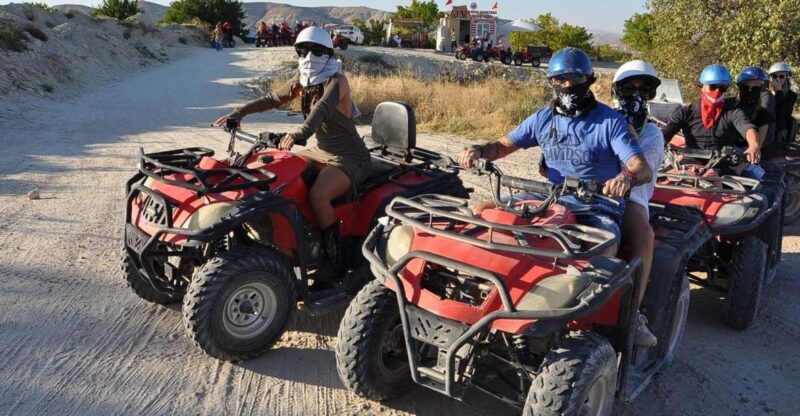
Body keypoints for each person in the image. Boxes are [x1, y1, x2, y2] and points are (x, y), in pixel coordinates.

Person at [458, 48, 656, 346]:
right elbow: (501, 146)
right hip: (550, 197)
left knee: (603, 253)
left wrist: (625, 177)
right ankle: (474, 287)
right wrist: (478, 150)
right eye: (559, 79)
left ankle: (592, 325)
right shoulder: (542, 118)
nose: (567, 85)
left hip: (597, 205)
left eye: (575, 78)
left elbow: (641, 168)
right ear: (551, 81)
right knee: (482, 213)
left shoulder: (611, 122)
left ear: (589, 80)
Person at [212, 27, 371, 273]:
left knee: (318, 195)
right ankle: (296, 239)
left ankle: (334, 257)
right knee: (281, 173)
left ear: (328, 53)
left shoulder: (337, 80)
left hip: (349, 156)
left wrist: (299, 134)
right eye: (303, 51)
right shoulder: (302, 80)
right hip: (319, 150)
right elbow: (272, 99)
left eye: (316, 51)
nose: (309, 57)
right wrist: (239, 113)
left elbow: (322, 109)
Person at [612, 60, 665, 346]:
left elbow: (642, 173)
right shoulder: (603, 118)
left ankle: (634, 314)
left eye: (642, 90)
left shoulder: (652, 133)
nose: (635, 95)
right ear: (617, 90)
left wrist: (629, 139)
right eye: (628, 89)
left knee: (644, 235)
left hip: (630, 196)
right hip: (588, 190)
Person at [661, 64, 761, 170]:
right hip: (690, 162)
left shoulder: (732, 111)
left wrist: (754, 145)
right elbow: (666, 133)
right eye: (712, 87)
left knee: (748, 177)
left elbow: (747, 127)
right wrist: (658, 143)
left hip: (722, 164)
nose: (717, 92)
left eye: (722, 88)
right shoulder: (686, 112)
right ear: (701, 86)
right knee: (663, 176)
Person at [733, 66, 773, 175]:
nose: (750, 91)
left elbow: (756, 147)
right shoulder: (730, 107)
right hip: (724, 155)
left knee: (752, 175)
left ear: (761, 90)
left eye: (755, 89)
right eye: (745, 87)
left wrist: (739, 168)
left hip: (746, 158)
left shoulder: (763, 115)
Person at [768, 62, 798, 148]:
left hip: (782, 128)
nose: (778, 79)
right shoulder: (766, 93)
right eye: (775, 76)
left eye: (781, 76)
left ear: (786, 78)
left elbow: (782, 112)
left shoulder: (792, 95)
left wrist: (778, 91)